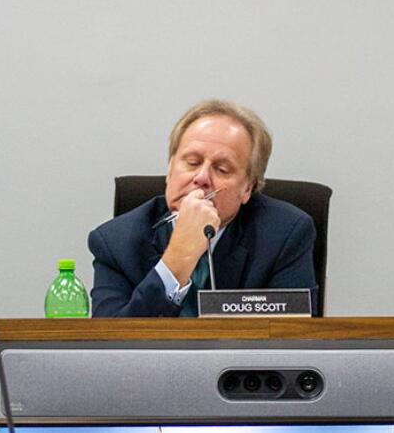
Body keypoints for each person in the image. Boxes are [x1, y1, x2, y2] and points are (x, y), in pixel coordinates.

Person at [88, 99, 317, 317]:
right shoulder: (115, 242)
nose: (202, 177)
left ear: (248, 188)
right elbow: (113, 346)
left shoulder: (285, 234)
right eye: (192, 162)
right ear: (169, 169)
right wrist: (178, 257)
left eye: (222, 169)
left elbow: (290, 342)